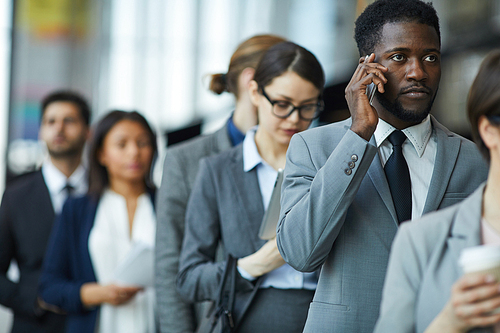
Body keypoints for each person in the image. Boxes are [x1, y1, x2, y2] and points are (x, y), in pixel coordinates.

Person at [276, 0, 489, 332]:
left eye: (430, 57)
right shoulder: (313, 147)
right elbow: (301, 253)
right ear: (368, 67)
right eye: (399, 57)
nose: (418, 72)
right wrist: (359, 134)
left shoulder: (474, 160)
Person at [176, 41, 324, 333]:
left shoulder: (332, 166)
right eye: (282, 105)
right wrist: (252, 265)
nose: (294, 119)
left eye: (308, 107)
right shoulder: (217, 171)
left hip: (321, 318)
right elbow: (189, 279)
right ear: (255, 93)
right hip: (245, 320)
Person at [155, 34, 286, 332]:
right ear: (251, 81)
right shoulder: (186, 160)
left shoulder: (303, 151)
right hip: (218, 320)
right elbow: (169, 265)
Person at [374, 50, 500, 333]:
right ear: (489, 130)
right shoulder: (420, 241)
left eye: (430, 58)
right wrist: (450, 322)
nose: (416, 72)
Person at [38, 110, 158, 333]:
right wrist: (95, 293)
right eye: (122, 144)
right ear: (102, 154)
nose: (134, 152)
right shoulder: (78, 209)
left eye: (143, 143)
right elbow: (49, 286)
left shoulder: (167, 205)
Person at [0, 90, 90, 333]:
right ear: (41, 131)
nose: (59, 128)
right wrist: (36, 301)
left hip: (94, 323)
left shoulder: (102, 192)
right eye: (51, 121)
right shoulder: (16, 195)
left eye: (69, 121)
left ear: (88, 131)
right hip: (35, 324)